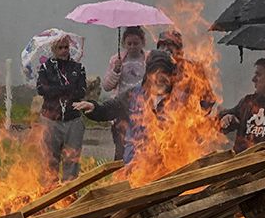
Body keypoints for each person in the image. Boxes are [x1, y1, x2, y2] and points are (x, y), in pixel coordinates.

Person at [79, 49, 180, 162]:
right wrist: (95, 108)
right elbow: (109, 109)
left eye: (165, 73)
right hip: (136, 167)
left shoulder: (182, 101)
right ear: (148, 74)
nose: (160, 78)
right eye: (156, 73)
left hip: (168, 166)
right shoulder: (133, 95)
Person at [33, 32, 91, 181]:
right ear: (54, 49)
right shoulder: (46, 68)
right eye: (60, 48)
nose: (64, 50)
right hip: (51, 118)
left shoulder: (78, 68)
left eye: (66, 47)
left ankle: (69, 193)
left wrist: (60, 89)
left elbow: (81, 91)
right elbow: (42, 89)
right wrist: (65, 88)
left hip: (73, 118)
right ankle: (48, 193)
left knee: (72, 158)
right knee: (49, 158)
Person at [100, 26, 150, 161]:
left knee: (142, 147)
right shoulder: (117, 60)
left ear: (143, 43)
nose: (132, 47)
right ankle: (119, 176)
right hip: (121, 109)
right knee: (122, 149)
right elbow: (107, 86)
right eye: (129, 44)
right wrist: (115, 71)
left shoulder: (149, 59)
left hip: (143, 109)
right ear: (123, 44)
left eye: (136, 43)